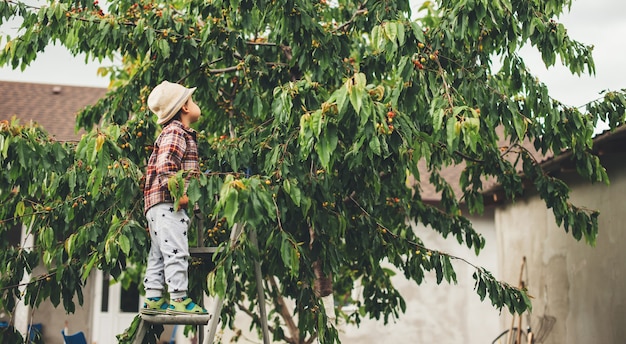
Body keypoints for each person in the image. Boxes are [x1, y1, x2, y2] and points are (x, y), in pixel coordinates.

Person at [141, 80, 207, 315]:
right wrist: (179, 193)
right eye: (192, 100)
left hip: (156, 205)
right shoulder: (176, 132)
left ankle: (154, 297)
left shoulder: (170, 133)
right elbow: (166, 165)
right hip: (168, 204)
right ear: (185, 108)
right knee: (177, 250)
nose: (195, 103)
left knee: (158, 252)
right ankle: (178, 298)